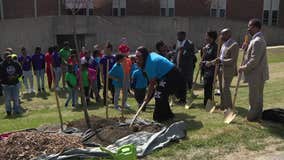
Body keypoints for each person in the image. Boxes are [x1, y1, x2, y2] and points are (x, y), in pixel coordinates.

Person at [135, 46, 186, 122]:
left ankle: (160, 118)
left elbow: (152, 84)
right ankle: (168, 116)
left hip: (172, 76)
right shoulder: (149, 57)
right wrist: (148, 97)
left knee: (159, 95)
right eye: (136, 56)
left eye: (139, 56)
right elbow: (154, 82)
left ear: (144, 56)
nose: (136, 59)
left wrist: (147, 98)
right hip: (166, 75)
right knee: (161, 94)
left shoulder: (150, 64)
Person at [239, 19, 269, 122]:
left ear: (256, 27)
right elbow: (252, 55)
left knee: (254, 97)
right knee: (258, 96)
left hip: (257, 74)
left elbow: (254, 60)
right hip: (257, 74)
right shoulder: (255, 39)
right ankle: (257, 116)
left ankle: (252, 117)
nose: (248, 29)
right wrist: (245, 48)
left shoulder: (257, 41)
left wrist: (243, 67)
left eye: (250, 26)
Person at [216, 28, 239, 110]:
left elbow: (233, 60)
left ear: (228, 35)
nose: (221, 36)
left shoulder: (234, 45)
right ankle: (223, 105)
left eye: (223, 34)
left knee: (225, 88)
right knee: (221, 89)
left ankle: (230, 107)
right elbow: (221, 56)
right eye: (220, 34)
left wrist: (221, 60)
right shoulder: (223, 44)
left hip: (229, 70)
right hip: (221, 69)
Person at [176, 31, 197, 103]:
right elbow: (177, 53)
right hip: (178, 66)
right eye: (177, 36)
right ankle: (179, 97)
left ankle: (183, 99)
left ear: (184, 36)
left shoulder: (190, 43)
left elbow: (192, 55)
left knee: (183, 83)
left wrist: (184, 52)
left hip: (186, 67)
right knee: (179, 83)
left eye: (179, 36)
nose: (177, 37)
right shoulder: (178, 43)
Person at [200, 31, 218, 106]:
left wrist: (207, 62)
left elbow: (215, 58)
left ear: (212, 37)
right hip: (205, 69)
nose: (206, 38)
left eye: (207, 36)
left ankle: (209, 102)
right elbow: (204, 57)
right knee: (206, 86)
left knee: (209, 86)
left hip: (212, 69)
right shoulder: (207, 46)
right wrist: (202, 52)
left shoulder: (216, 47)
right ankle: (206, 102)